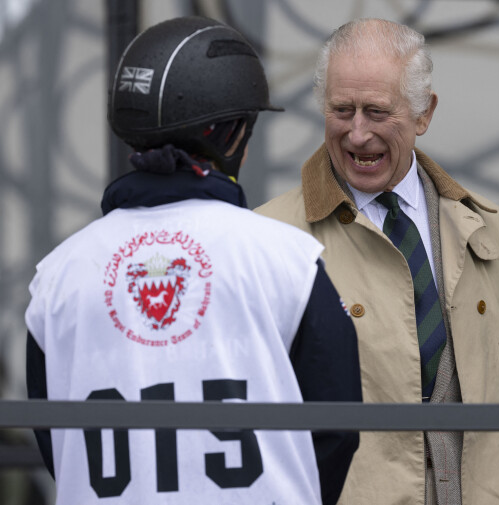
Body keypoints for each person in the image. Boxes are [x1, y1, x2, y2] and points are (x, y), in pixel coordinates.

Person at [25, 16, 362, 505]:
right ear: (231, 137)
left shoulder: (57, 277)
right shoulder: (287, 259)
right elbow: (337, 429)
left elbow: (58, 444)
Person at [255, 18, 499, 505]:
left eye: (376, 111)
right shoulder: (269, 237)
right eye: (341, 110)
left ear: (423, 113)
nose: (357, 134)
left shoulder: (489, 225)